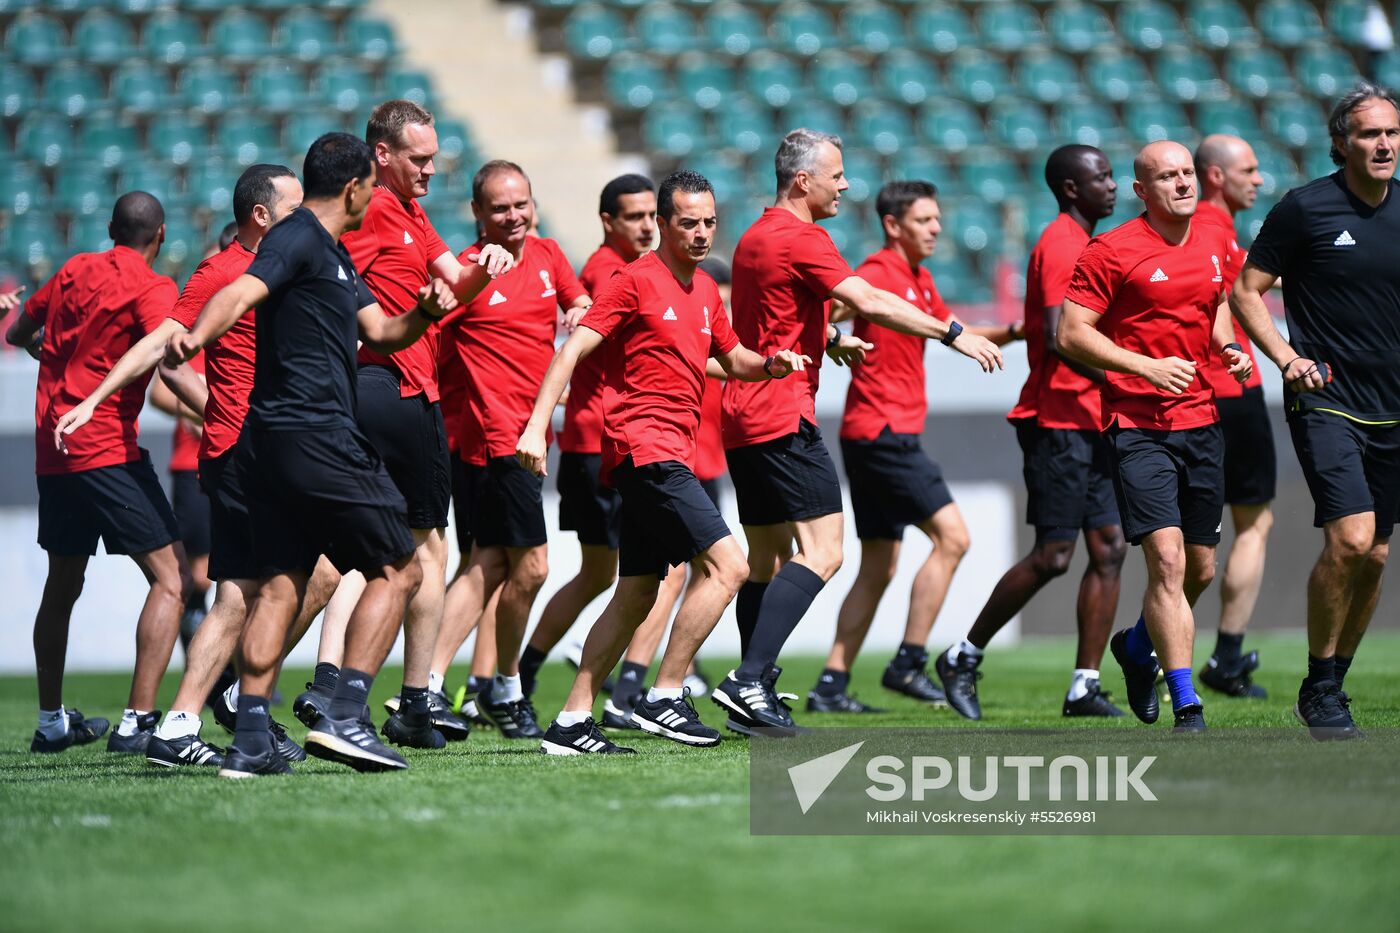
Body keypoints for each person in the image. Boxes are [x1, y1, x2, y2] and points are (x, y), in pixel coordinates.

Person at [166, 132, 504, 777]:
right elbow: (241, 292)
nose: (373, 199)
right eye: (370, 188)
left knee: (283, 584)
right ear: (353, 188)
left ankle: (251, 740)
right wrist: (195, 336)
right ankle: (346, 714)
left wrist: (428, 311)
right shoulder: (296, 238)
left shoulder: (334, 253)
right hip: (315, 434)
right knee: (401, 569)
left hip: (277, 440)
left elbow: (382, 331)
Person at [713, 128, 1003, 735]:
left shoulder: (755, 236)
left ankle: (753, 690)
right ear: (803, 181)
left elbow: (774, 318)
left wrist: (829, 338)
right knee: (825, 553)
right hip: (783, 413)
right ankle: (749, 679)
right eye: (836, 175)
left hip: (742, 413)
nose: (845, 185)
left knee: (766, 560)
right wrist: (952, 333)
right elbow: (869, 299)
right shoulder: (803, 237)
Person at [55, 165, 341, 768]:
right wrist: (96, 398)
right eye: (295, 208)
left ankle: (199, 717)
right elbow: (162, 346)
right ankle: (233, 704)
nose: (308, 218)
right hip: (243, 456)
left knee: (247, 591)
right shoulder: (220, 273)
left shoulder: (292, 266)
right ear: (261, 216)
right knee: (299, 579)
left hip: (272, 451)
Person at [516, 170, 809, 753]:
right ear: (663, 224)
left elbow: (733, 359)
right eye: (688, 223)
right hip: (644, 450)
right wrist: (534, 427)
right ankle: (665, 693)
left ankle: (571, 721)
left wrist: (772, 363)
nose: (701, 234)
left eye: (709, 223)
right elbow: (572, 349)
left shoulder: (704, 291)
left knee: (636, 592)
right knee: (729, 567)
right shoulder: (633, 280)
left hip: (671, 451)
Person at [297, 100, 507, 749]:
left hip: (394, 387)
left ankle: (315, 684)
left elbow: (455, 283)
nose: (431, 169)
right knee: (421, 549)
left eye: (434, 158)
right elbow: (337, 284)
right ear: (381, 155)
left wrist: (489, 264)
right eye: (420, 158)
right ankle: (407, 698)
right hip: (392, 387)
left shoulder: (412, 214)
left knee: (360, 550)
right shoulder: (373, 210)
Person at [1059, 140, 1253, 733]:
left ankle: (1136, 648)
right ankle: (1187, 704)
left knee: (1200, 570)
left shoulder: (1215, 237)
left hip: (1202, 421)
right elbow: (1071, 333)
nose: (1183, 183)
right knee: (1166, 561)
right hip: (1137, 425)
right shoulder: (1111, 250)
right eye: (1167, 176)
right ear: (1142, 191)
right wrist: (1144, 367)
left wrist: (1228, 347)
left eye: (1187, 172)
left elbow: (1216, 302)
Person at [811, 181, 1024, 715]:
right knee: (953, 538)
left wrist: (1018, 330)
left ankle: (831, 685)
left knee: (879, 566)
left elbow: (958, 331)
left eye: (937, 219)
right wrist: (831, 337)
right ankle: (908, 661)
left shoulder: (920, 278)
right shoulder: (875, 274)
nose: (936, 228)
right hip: (882, 433)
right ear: (892, 225)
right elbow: (819, 316)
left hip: (877, 434)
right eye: (924, 220)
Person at [1230, 84, 1400, 740]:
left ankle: (1329, 684)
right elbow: (1246, 291)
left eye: (1391, 133)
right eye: (1369, 134)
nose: (1383, 144)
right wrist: (1285, 356)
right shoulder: (1305, 208)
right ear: (1341, 143)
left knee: (1376, 555)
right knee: (1350, 539)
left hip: (1392, 408)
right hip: (1326, 399)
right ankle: (1321, 683)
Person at [937, 146, 1127, 721]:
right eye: (1101, 177)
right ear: (1071, 189)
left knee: (1110, 548)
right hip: (1058, 419)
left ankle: (1084, 686)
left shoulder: (1089, 242)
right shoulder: (1062, 243)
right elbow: (1061, 336)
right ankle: (963, 655)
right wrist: (1127, 378)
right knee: (1053, 555)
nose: (1112, 185)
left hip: (1092, 418)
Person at [6, 191, 192, 755]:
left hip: (54, 450)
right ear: (160, 236)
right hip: (106, 446)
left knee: (62, 584)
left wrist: (46, 350)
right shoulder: (155, 287)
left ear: (111, 228)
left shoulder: (73, 269)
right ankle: (137, 722)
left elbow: (18, 333)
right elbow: (164, 356)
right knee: (172, 580)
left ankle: (50, 722)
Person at [428, 160, 590, 738]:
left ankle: (433, 686)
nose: (514, 215)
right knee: (531, 565)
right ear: (478, 212)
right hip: (496, 439)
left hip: (528, 435)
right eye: (500, 207)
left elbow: (578, 302)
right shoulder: (468, 271)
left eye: (521, 204)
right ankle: (501, 684)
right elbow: (427, 338)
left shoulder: (548, 255)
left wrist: (579, 309)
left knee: (489, 564)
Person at [517, 173, 670, 709]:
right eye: (635, 216)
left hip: (597, 442)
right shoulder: (611, 273)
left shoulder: (624, 270)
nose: (648, 226)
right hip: (603, 445)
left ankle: (522, 675)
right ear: (608, 221)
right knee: (657, 571)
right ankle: (629, 692)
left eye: (652, 215)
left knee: (601, 574)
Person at [1193, 134, 1274, 699]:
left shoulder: (1187, 229)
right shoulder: (1214, 230)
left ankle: (1155, 650)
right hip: (1232, 390)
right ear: (1217, 176)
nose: (1259, 179)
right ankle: (1224, 656)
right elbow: (1246, 291)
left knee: (1191, 539)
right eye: (1249, 170)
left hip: (1193, 395)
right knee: (1252, 525)